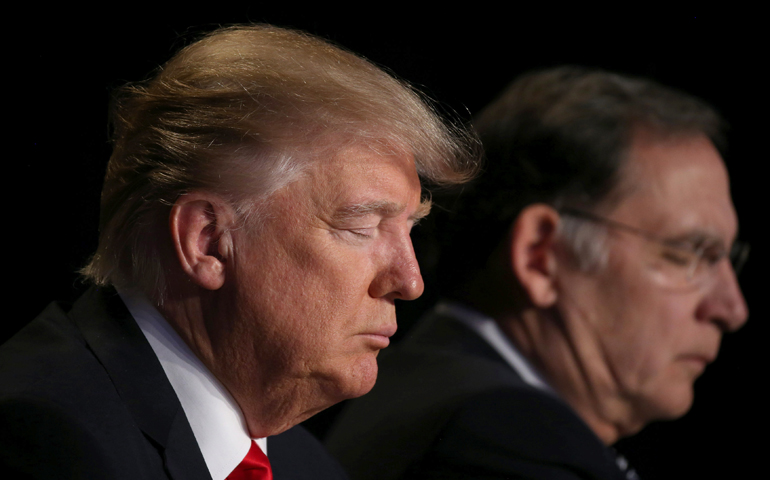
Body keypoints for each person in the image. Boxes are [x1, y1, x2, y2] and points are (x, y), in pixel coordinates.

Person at [0, 25, 477, 479]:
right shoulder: (45, 439)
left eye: (410, 227)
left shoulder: (305, 465)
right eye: (361, 226)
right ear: (207, 241)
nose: (410, 281)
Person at [325, 66, 749, 480]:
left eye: (728, 259)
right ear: (539, 256)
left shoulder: (423, 391)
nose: (732, 309)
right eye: (687, 253)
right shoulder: (500, 442)